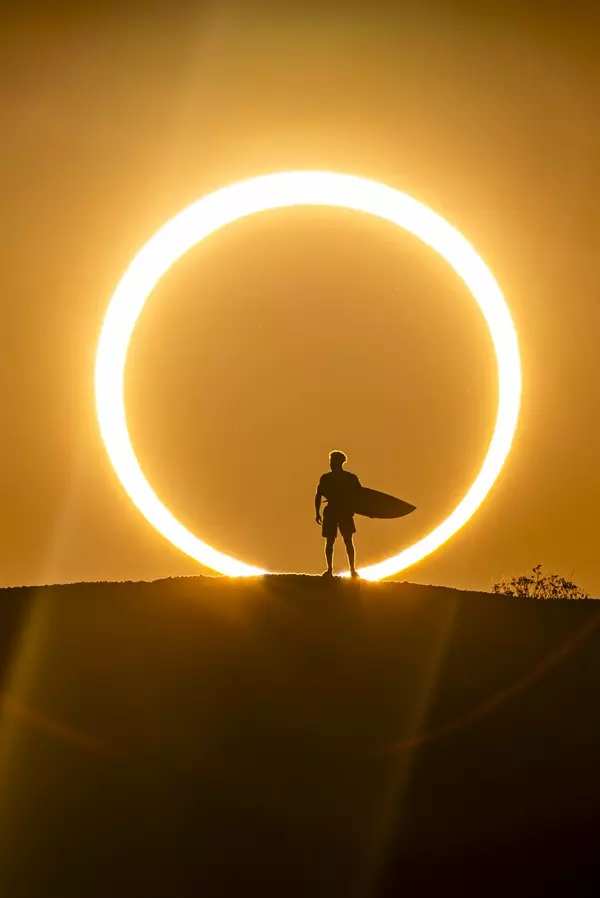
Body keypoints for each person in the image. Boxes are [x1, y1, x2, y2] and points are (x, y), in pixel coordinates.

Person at [315, 450, 361, 578]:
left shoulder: (328, 478)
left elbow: (360, 495)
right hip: (341, 511)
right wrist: (317, 512)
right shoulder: (350, 477)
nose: (330, 464)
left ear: (336, 462)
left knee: (338, 541)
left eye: (331, 461)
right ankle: (342, 569)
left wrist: (317, 513)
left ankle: (344, 569)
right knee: (344, 541)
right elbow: (360, 495)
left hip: (337, 511)